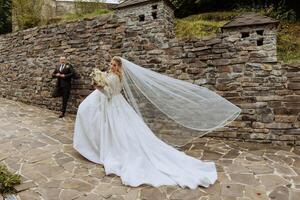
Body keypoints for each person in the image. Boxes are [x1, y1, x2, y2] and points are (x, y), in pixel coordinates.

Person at [73, 56, 241, 189]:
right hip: (116, 107)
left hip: (114, 106)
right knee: (120, 131)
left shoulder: (116, 78)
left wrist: (98, 86)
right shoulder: (113, 75)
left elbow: (109, 94)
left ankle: (114, 151)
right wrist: (101, 78)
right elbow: (107, 85)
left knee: (119, 133)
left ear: (119, 67)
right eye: (111, 63)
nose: (111, 66)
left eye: (114, 65)